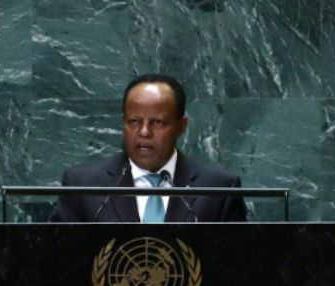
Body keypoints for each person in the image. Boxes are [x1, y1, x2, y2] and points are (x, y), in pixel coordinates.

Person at [49, 74, 246, 222]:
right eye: (134, 121)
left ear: (181, 126)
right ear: (123, 123)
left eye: (157, 122)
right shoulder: (83, 186)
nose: (144, 132)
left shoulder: (219, 189)